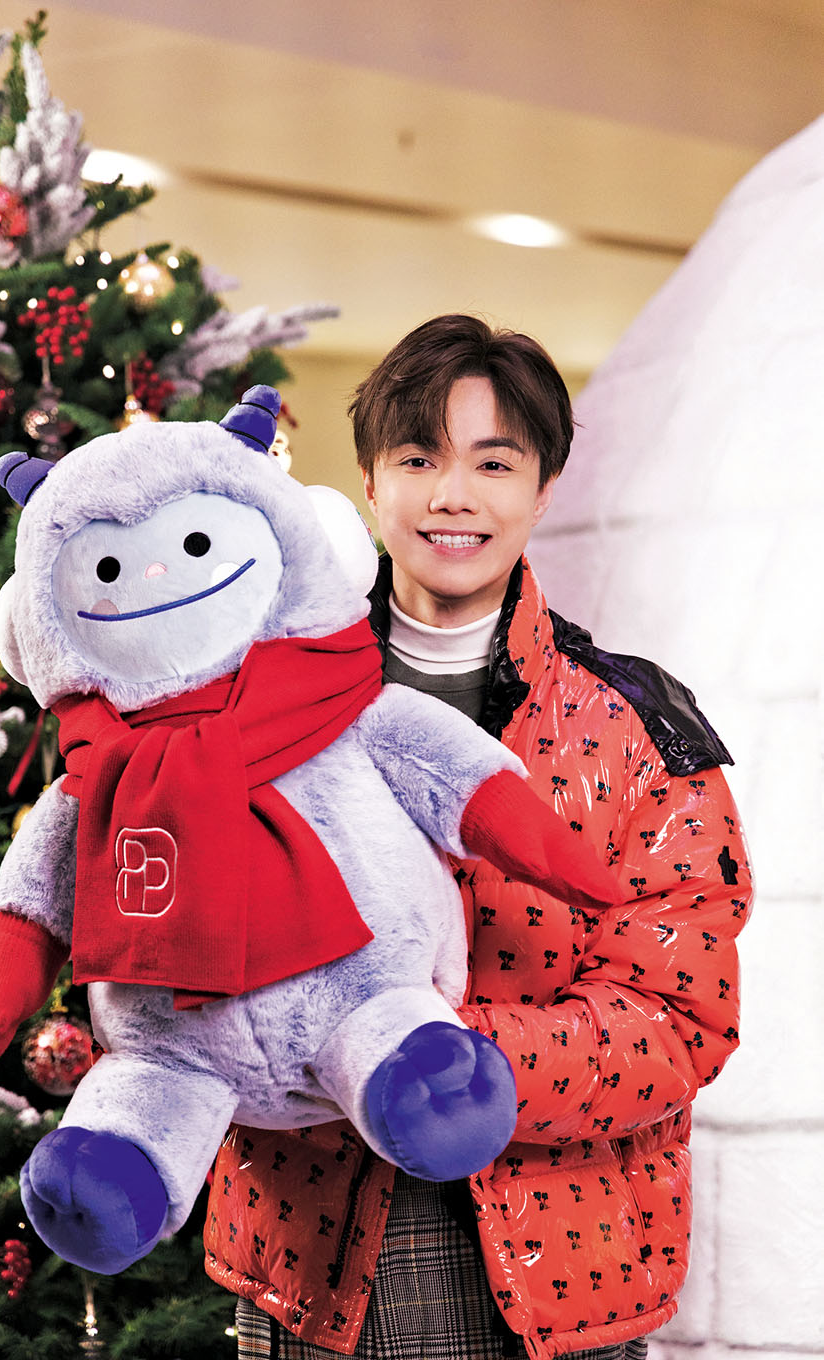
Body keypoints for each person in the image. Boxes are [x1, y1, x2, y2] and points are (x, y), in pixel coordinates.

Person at [205, 314, 752, 1359]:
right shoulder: (237, 704)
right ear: (369, 480)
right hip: (306, 1247)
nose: (452, 495)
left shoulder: (639, 727)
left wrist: (442, 1059)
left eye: (493, 463)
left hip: (561, 1259)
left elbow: (677, 1019)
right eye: (418, 458)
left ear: (543, 489)